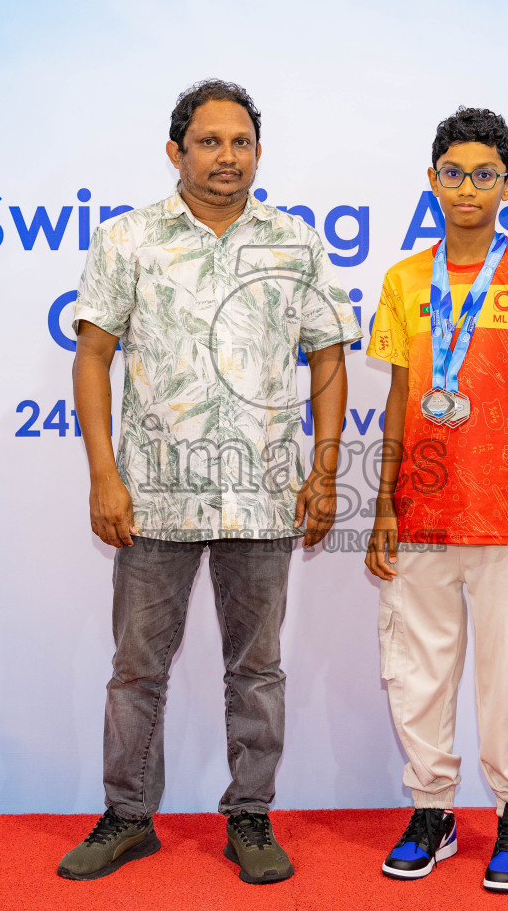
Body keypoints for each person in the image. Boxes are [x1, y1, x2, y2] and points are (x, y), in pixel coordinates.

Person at [58, 79, 363, 885]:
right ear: (176, 151)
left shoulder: (293, 243)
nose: (227, 156)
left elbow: (328, 356)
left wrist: (324, 470)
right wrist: (103, 474)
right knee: (136, 669)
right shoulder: (128, 239)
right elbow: (93, 355)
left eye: (241, 142)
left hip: (262, 493)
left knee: (256, 670)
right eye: (209, 141)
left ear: (257, 151)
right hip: (152, 494)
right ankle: (128, 818)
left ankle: (251, 818)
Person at [364, 107, 508, 893]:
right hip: (422, 513)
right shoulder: (403, 282)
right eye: (453, 174)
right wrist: (385, 504)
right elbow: (397, 395)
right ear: (431, 182)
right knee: (416, 671)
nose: (467, 188)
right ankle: (432, 810)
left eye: (484, 175)